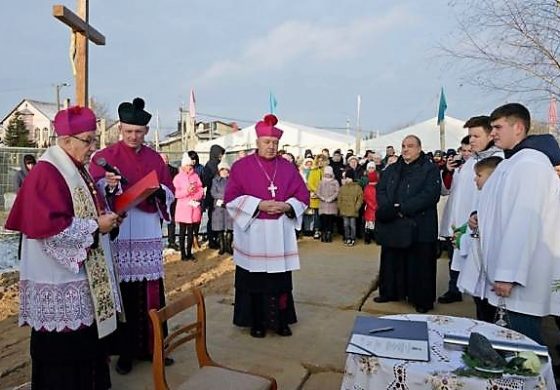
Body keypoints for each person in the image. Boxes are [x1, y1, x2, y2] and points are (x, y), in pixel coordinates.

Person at [5, 106, 122, 389]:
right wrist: (97, 227)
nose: (93, 147)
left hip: (80, 276)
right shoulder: (47, 173)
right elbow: (50, 230)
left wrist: (104, 204)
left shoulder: (73, 168)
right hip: (59, 279)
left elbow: (83, 208)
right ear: (67, 140)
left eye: (94, 140)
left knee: (84, 349)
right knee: (64, 359)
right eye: (88, 140)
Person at [89, 97, 175, 374]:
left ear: (146, 132)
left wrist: (161, 191)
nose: (133, 136)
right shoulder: (104, 156)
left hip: (147, 227)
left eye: (138, 132)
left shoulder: (155, 158)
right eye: (128, 131)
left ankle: (153, 348)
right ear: (120, 129)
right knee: (124, 294)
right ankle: (124, 352)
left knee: (150, 291)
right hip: (119, 228)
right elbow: (92, 190)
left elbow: (170, 190)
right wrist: (107, 185)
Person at [466, 103, 560, 343]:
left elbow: (524, 220)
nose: (493, 132)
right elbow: (501, 206)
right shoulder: (511, 162)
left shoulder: (530, 164)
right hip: (505, 274)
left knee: (520, 348)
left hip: (519, 283)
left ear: (518, 127)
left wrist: (508, 274)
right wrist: (479, 217)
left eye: (498, 127)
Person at [224, 114, 309, 338]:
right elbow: (230, 199)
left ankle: (281, 321)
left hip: (279, 232)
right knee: (255, 280)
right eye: (267, 142)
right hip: (254, 233)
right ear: (257, 142)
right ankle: (257, 322)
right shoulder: (241, 167)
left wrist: (287, 206)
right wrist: (259, 204)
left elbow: (303, 195)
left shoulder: (288, 167)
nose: (271, 147)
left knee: (279, 281)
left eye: (275, 143)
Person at [438, 117, 502, 305]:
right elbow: (456, 192)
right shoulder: (469, 163)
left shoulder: (499, 161)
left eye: (476, 135)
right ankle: (455, 290)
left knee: (484, 287)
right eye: (469, 136)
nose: (471, 140)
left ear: (490, 134)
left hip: (480, 229)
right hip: (461, 227)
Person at [374, 135, 441, 313]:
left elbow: (430, 195)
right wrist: (390, 208)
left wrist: (403, 208)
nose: (405, 149)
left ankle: (421, 300)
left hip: (420, 225)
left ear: (419, 148)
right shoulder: (392, 169)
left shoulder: (429, 169)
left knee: (420, 264)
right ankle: (390, 292)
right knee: (391, 260)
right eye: (403, 146)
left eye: (410, 146)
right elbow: (380, 189)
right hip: (394, 224)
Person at [456, 156, 503, 323]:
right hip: (479, 266)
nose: (475, 179)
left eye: (479, 175)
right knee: (481, 310)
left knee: (491, 316)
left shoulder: (501, 199)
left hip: (493, 272)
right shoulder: (485, 195)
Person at [174, 152, 204, 261]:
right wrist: (187, 192)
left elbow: (200, 189)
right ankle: (183, 254)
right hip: (183, 208)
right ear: (183, 166)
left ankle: (189, 252)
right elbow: (176, 194)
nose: (189, 167)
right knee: (182, 232)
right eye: (187, 165)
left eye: (191, 166)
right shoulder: (178, 178)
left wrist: (196, 196)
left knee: (191, 232)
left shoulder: (196, 176)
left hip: (193, 207)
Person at [202, 144, 225, 249]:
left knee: (219, 218)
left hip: (219, 195)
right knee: (212, 218)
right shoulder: (210, 165)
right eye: (220, 153)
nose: (221, 156)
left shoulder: (218, 164)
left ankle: (217, 238)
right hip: (212, 196)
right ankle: (212, 239)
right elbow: (207, 181)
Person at [211, 162, 233, 254]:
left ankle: (228, 245)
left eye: (225, 169)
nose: (224, 171)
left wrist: (228, 197)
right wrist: (223, 197)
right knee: (219, 226)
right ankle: (222, 246)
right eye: (222, 170)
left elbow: (234, 190)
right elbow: (213, 192)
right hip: (219, 206)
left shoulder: (232, 180)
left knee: (230, 226)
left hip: (229, 205)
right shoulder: (215, 180)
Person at [337, 170, 363, 246]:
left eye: (349, 177)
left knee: (352, 225)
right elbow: (339, 198)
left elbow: (360, 198)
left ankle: (352, 238)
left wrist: (356, 207)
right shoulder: (342, 188)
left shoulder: (357, 187)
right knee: (345, 225)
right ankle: (347, 237)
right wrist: (340, 206)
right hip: (344, 209)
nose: (347, 179)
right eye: (346, 178)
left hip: (353, 209)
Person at [160, 153, 179, 250]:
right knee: (158, 222)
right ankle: (158, 241)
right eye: (163, 159)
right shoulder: (155, 170)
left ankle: (172, 241)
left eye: (166, 158)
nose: (165, 161)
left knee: (171, 221)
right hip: (159, 200)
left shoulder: (174, 170)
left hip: (171, 199)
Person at [316, 165, 339, 243]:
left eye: (329, 173)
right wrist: (322, 198)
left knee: (330, 221)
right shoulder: (321, 182)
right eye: (326, 173)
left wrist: (331, 198)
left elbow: (337, 191)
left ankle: (329, 234)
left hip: (332, 205)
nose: (327, 175)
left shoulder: (335, 182)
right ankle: (323, 234)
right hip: (323, 204)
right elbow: (318, 192)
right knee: (323, 220)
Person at [306, 154, 326, 239]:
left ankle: (324, 230)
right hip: (316, 195)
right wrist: (317, 191)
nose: (320, 162)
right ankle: (317, 230)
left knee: (324, 215)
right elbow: (310, 183)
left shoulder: (327, 171)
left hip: (325, 196)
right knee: (316, 215)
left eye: (322, 161)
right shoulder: (313, 171)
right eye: (319, 161)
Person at [363, 170, 378, 244]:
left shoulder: (367, 188)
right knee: (375, 225)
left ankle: (367, 239)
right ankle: (375, 238)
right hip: (377, 208)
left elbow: (366, 198)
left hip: (369, 208)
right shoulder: (378, 187)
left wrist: (371, 205)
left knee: (368, 224)